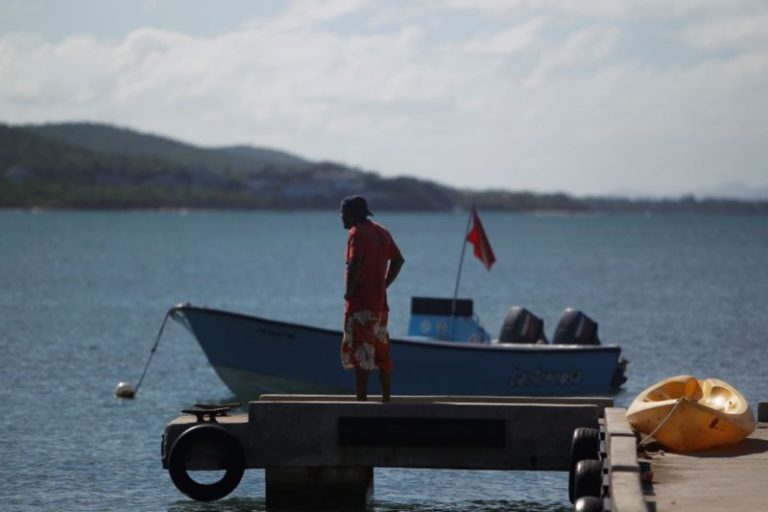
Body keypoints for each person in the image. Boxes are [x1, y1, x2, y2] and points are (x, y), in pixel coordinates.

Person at [340, 195, 404, 402]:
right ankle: (386, 399)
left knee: (362, 354)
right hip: (380, 306)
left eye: (343, 213)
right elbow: (398, 260)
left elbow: (355, 263)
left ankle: (361, 402)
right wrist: (383, 285)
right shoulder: (381, 231)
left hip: (361, 304)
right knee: (382, 353)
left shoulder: (357, 233)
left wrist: (349, 292)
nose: (341, 217)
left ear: (351, 213)